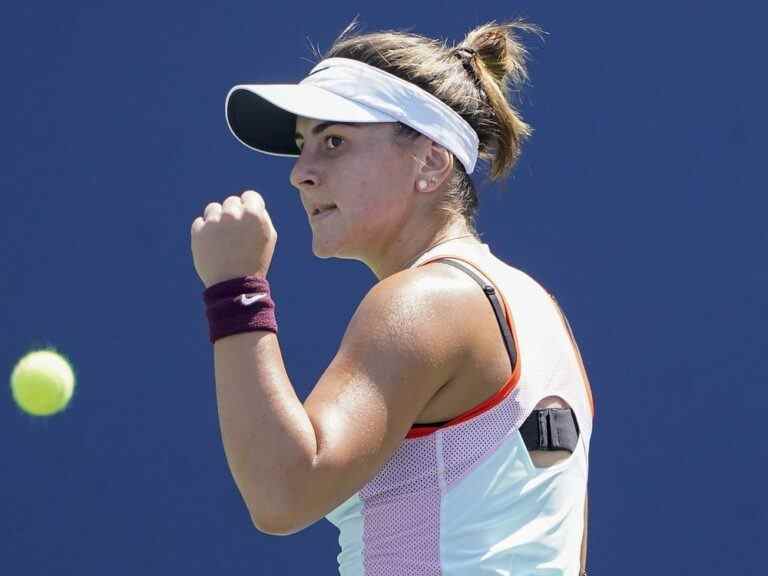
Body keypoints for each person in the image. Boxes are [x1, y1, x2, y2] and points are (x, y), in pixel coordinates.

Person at [191, 18, 594, 575]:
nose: (301, 173)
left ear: (431, 162)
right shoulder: (534, 308)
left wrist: (235, 289)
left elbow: (283, 492)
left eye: (334, 141)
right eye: (302, 145)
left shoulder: (425, 301)